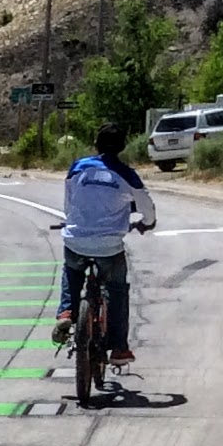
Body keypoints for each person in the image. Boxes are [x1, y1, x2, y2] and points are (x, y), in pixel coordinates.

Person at [55, 121, 157, 364]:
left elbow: (69, 203)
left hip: (77, 239)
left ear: (95, 144)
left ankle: (66, 311)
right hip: (109, 246)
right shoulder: (127, 174)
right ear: (122, 147)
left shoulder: (78, 167)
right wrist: (147, 223)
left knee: (72, 270)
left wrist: (73, 220)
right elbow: (147, 207)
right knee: (117, 291)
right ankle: (119, 348)